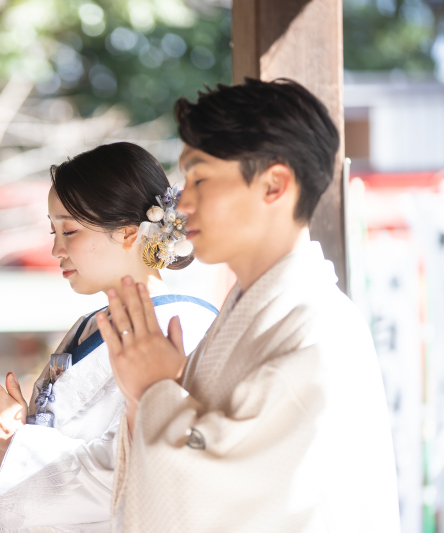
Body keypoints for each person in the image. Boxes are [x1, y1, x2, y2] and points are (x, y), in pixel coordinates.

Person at [99, 79, 400, 532]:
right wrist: (149, 397)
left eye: (200, 178)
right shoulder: (256, 314)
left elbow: (224, 501)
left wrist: (156, 388)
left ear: (274, 185)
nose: (183, 202)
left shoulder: (318, 332)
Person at [0, 142, 218, 532]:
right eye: (52, 230)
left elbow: (140, 471)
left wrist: (13, 442)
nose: (56, 249)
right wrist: (9, 435)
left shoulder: (186, 328)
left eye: (69, 230)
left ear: (128, 233)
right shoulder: (86, 327)